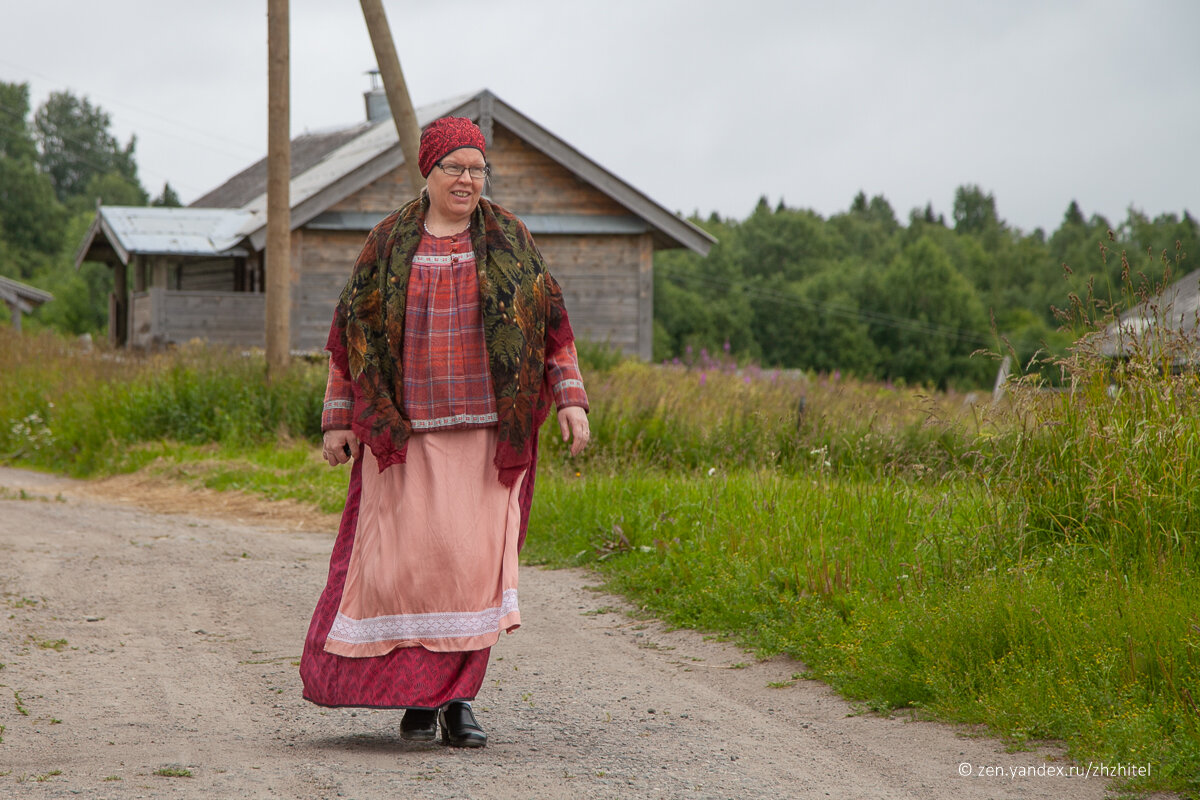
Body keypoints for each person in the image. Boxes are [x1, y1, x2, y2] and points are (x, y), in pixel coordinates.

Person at [299, 116, 590, 748]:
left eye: (477, 168)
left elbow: (552, 327)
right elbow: (347, 340)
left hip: (488, 434)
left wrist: (571, 401)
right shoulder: (386, 244)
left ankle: (456, 698)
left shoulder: (511, 238)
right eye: (454, 167)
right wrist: (337, 419)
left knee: (469, 568)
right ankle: (416, 697)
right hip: (402, 437)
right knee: (408, 569)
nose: (467, 179)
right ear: (428, 172)